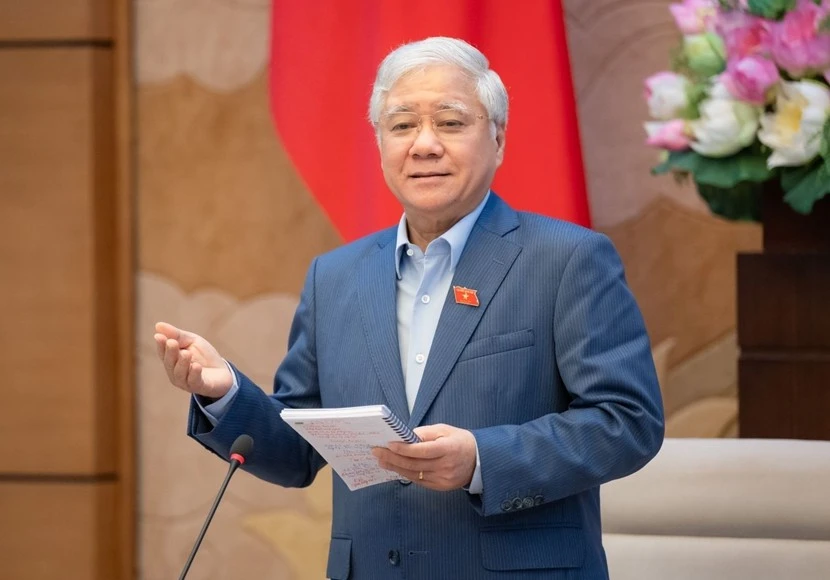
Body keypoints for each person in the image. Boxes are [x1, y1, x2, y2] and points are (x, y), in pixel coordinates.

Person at [154, 36, 664, 580]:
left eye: (449, 122)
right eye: (401, 126)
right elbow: (299, 451)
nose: (423, 145)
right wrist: (222, 393)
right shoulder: (336, 277)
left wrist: (481, 459)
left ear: (498, 138)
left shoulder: (567, 259)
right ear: (379, 145)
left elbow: (627, 422)